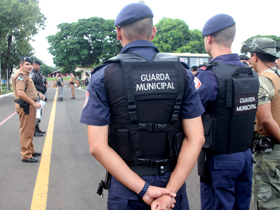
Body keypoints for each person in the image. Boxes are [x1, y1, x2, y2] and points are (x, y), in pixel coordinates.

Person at [80, 3, 205, 210]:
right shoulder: (181, 72)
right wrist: (169, 192)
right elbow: (197, 137)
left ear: (118, 33)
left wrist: (144, 189)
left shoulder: (103, 75)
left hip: (128, 188)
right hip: (172, 188)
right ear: (153, 32)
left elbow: (97, 146)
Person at [195, 14, 259, 210]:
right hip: (245, 156)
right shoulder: (250, 73)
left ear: (209, 39)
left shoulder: (209, 74)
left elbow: (188, 111)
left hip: (220, 160)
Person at [241, 37, 280, 210]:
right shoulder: (277, 77)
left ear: (255, 56)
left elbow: (265, 119)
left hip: (270, 151)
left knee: (268, 203)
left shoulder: (262, 81)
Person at [12, 57, 43, 163]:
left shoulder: (26, 76)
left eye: (30, 64)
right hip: (26, 106)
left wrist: (38, 93)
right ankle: (26, 154)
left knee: (30, 129)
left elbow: (28, 89)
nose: (29, 66)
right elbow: (20, 92)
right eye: (26, 64)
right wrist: (33, 103)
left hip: (29, 105)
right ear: (21, 65)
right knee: (26, 131)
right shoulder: (20, 76)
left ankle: (30, 150)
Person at [30, 59, 46, 137]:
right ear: (33, 65)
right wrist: (37, 93)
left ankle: (37, 128)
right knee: (36, 113)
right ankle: (34, 130)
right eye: (36, 65)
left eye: (39, 65)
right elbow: (31, 86)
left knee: (39, 113)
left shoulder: (38, 74)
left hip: (40, 95)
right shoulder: (32, 74)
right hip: (35, 95)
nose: (38, 67)